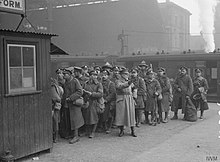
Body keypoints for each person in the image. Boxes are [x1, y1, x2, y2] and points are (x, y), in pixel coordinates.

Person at [62, 68, 84, 144]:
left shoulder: (75, 81)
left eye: (65, 74)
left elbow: (80, 92)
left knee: (75, 120)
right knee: (69, 119)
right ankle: (72, 134)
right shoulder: (65, 82)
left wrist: (71, 98)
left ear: (70, 74)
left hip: (74, 103)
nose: (63, 76)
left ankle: (76, 136)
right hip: (67, 104)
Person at [115, 69, 137, 137]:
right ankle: (121, 130)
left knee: (131, 115)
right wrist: (128, 83)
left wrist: (134, 96)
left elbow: (134, 88)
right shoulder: (118, 81)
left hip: (129, 99)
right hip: (122, 99)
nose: (127, 75)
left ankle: (133, 130)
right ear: (121, 74)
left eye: (127, 74)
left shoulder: (129, 81)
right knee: (121, 115)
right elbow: (120, 86)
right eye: (125, 74)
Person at [83, 70, 104, 138]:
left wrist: (92, 94)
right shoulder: (85, 83)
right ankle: (87, 131)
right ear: (89, 76)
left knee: (94, 117)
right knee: (86, 116)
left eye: (95, 75)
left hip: (95, 102)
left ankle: (93, 132)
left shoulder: (98, 84)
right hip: (87, 101)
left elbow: (100, 94)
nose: (94, 76)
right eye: (92, 75)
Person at [51, 76, 64, 143]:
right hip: (55, 106)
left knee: (55, 121)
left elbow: (56, 98)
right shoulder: (55, 86)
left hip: (54, 106)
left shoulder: (52, 87)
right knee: (55, 121)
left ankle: (55, 137)